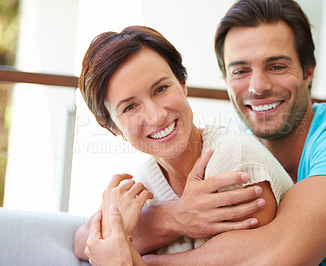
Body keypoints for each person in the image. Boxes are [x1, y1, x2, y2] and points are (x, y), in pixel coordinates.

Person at [139, 0, 326, 265]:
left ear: (308, 71)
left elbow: (277, 253)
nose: (258, 87)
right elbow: (92, 235)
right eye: (241, 71)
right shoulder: (231, 151)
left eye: (277, 66)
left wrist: (137, 261)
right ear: (225, 80)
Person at [74, 25, 293, 260]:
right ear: (113, 127)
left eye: (161, 89)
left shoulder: (234, 162)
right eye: (130, 107)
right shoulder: (144, 184)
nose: (156, 116)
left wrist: (136, 258)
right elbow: (82, 243)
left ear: (183, 84)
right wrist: (173, 216)